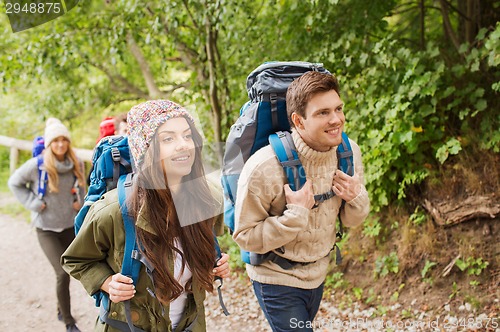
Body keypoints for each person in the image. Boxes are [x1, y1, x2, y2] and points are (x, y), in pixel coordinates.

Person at [61, 100, 230, 331]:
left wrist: (214, 264)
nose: (184, 145)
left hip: (190, 324)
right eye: (168, 139)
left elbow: (208, 247)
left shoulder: (208, 198)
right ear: (146, 150)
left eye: (188, 135)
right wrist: (106, 282)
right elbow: (76, 259)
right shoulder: (113, 211)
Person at [233, 71, 370, 331]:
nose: (336, 120)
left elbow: (350, 221)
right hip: (275, 277)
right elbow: (245, 235)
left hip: (318, 272)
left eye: (338, 109)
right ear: (298, 120)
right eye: (323, 113)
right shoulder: (264, 167)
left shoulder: (349, 152)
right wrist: (295, 215)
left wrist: (356, 197)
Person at [8, 118, 86, 332]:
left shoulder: (76, 163)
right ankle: (69, 322)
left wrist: (81, 201)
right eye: (56, 141)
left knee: (77, 267)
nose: (60, 145)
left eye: (64, 140)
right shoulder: (38, 165)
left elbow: (82, 187)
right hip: (46, 229)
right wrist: (34, 203)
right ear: (49, 144)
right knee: (62, 273)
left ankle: (61, 309)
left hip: (69, 226)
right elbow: (14, 182)